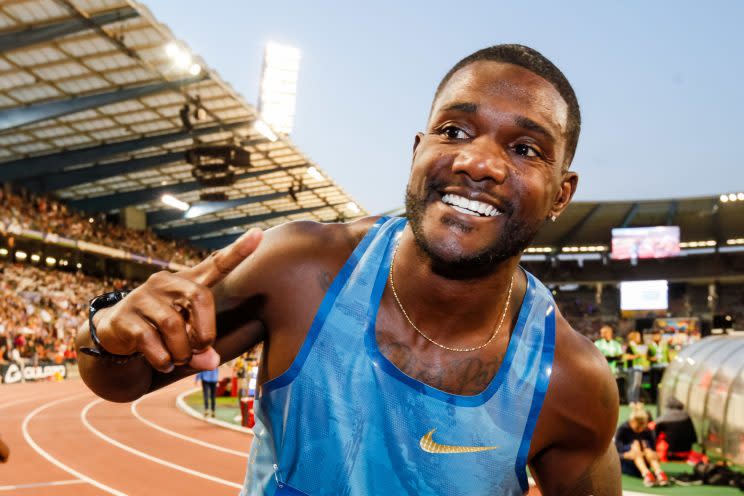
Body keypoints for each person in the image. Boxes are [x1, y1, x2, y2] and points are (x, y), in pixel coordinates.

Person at [77, 44, 621, 495]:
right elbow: (119, 380)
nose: (478, 162)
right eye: (454, 131)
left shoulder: (571, 381)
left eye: (526, 148)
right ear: (417, 149)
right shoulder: (299, 267)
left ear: (561, 195)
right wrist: (109, 327)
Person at [615, 404, 669, 487]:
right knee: (636, 448)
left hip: (646, 460)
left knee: (647, 450)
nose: (640, 430)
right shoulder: (622, 429)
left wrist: (651, 451)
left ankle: (659, 473)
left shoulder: (647, 430)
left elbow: (654, 450)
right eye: (637, 427)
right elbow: (615, 454)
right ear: (631, 421)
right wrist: (626, 454)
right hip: (628, 464)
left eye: (642, 427)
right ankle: (647, 474)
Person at [654, 397, 699, 462]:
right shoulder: (687, 417)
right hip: (686, 454)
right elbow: (694, 438)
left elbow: (654, 437)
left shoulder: (662, 420)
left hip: (669, 455)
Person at [624, 331, 649, 405]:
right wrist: (637, 356)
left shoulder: (637, 346)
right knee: (632, 385)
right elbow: (626, 357)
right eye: (638, 337)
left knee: (637, 385)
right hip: (632, 368)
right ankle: (631, 401)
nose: (639, 338)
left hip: (639, 368)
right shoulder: (629, 346)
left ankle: (636, 400)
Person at [647, 330, 669, 404]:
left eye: (658, 335)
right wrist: (653, 359)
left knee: (663, 384)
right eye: (655, 335)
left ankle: (663, 399)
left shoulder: (664, 345)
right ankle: (654, 400)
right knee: (654, 384)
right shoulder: (650, 346)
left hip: (664, 366)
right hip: (655, 367)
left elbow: (668, 355)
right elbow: (647, 357)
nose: (656, 337)